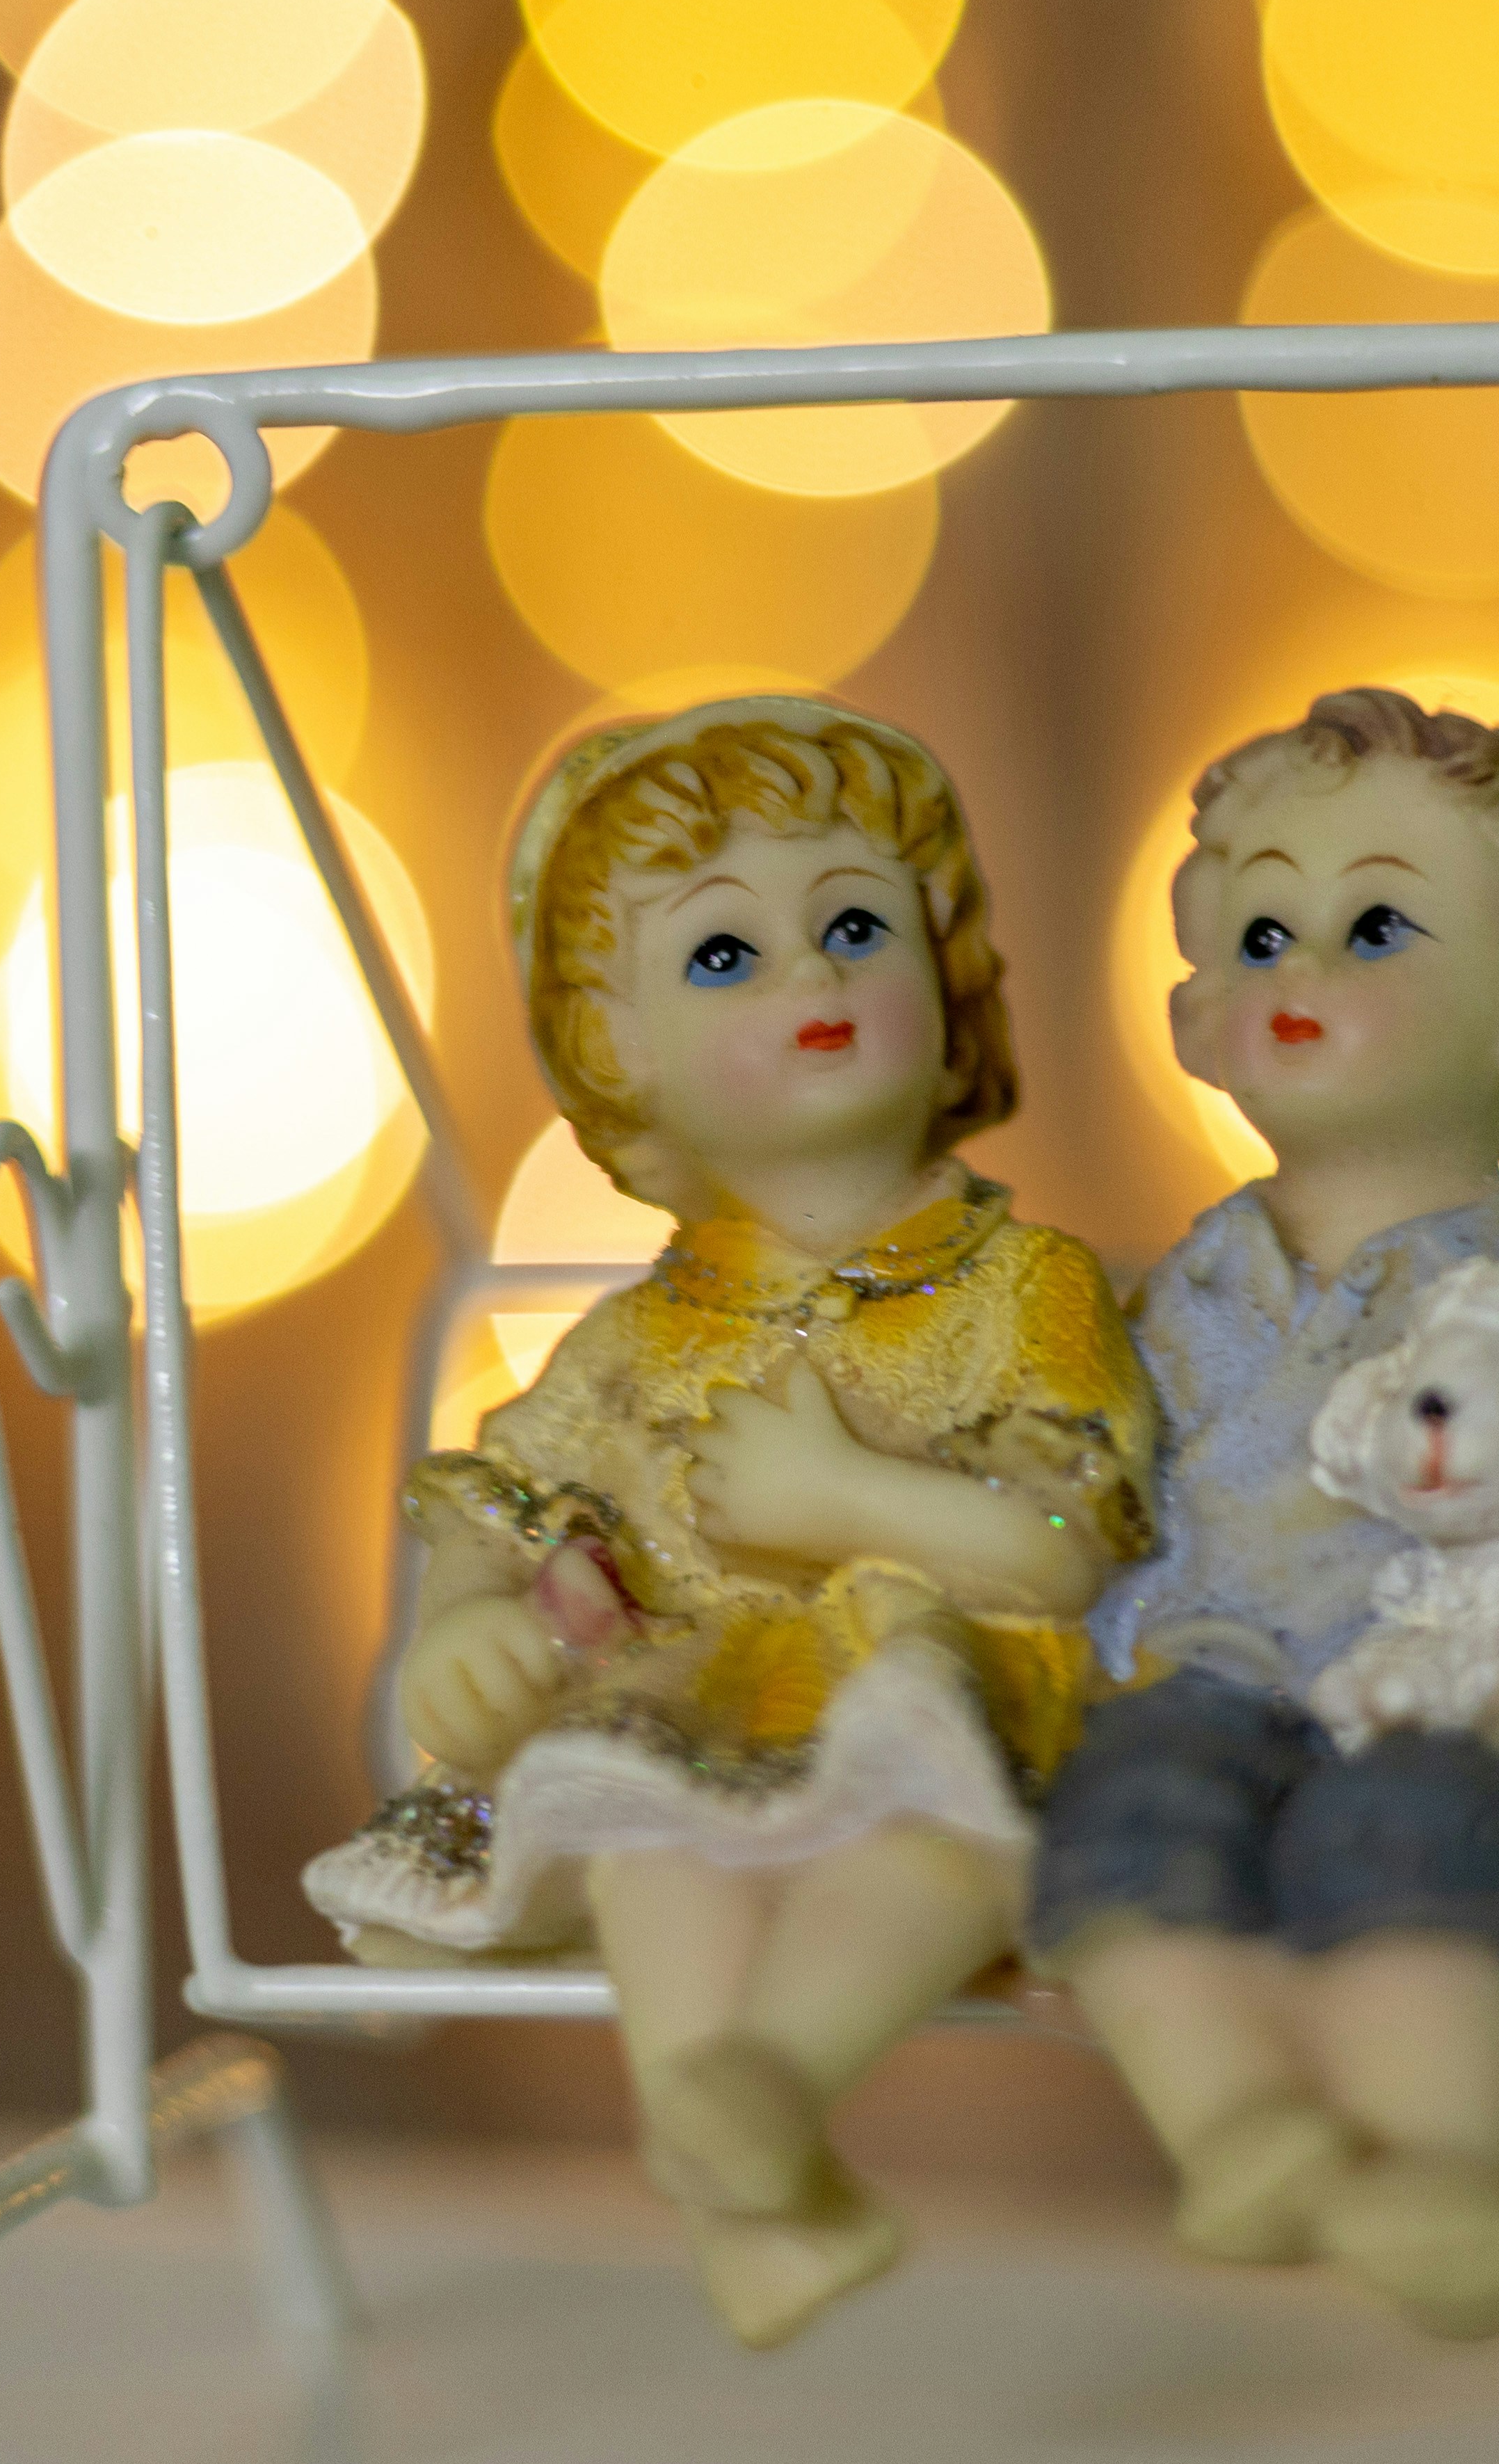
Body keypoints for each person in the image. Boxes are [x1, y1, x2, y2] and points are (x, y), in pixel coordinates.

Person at [304, 696, 1155, 2348]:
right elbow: (508, 1484)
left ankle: (772, 2077)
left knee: (936, 1826)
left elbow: (1064, 1542)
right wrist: (467, 1615)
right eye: (722, 957)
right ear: (621, 1052)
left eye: (853, 925)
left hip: (949, 1688)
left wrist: (845, 1502)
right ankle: (741, 2194)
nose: (811, 978)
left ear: (942, 967)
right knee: (631, 1821)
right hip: (711, 1704)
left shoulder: (1022, 1284)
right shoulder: (643, 1337)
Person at [1033, 688, 1499, 2338]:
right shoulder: (1182, 1286)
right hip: (1202, 1683)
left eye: (1371, 925)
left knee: (1428, 1832)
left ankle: (1440, 2165)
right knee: (1121, 1813)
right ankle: (1243, 2124)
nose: (1294, 971)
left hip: (1434, 1685)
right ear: (1189, 1015)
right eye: (1255, 930)